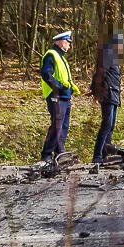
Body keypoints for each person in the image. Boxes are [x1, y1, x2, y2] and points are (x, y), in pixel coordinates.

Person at [40, 30, 80, 162]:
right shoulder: (51, 55)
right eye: (68, 43)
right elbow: (46, 74)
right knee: (57, 125)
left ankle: (59, 154)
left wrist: (71, 89)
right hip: (56, 96)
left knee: (63, 126)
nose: (69, 45)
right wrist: (58, 88)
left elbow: (64, 77)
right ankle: (46, 155)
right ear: (63, 42)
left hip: (65, 97)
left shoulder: (60, 57)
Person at [91, 33, 123, 164]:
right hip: (107, 94)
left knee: (110, 126)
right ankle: (97, 155)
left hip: (114, 95)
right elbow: (99, 74)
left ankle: (106, 153)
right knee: (106, 125)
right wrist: (94, 90)